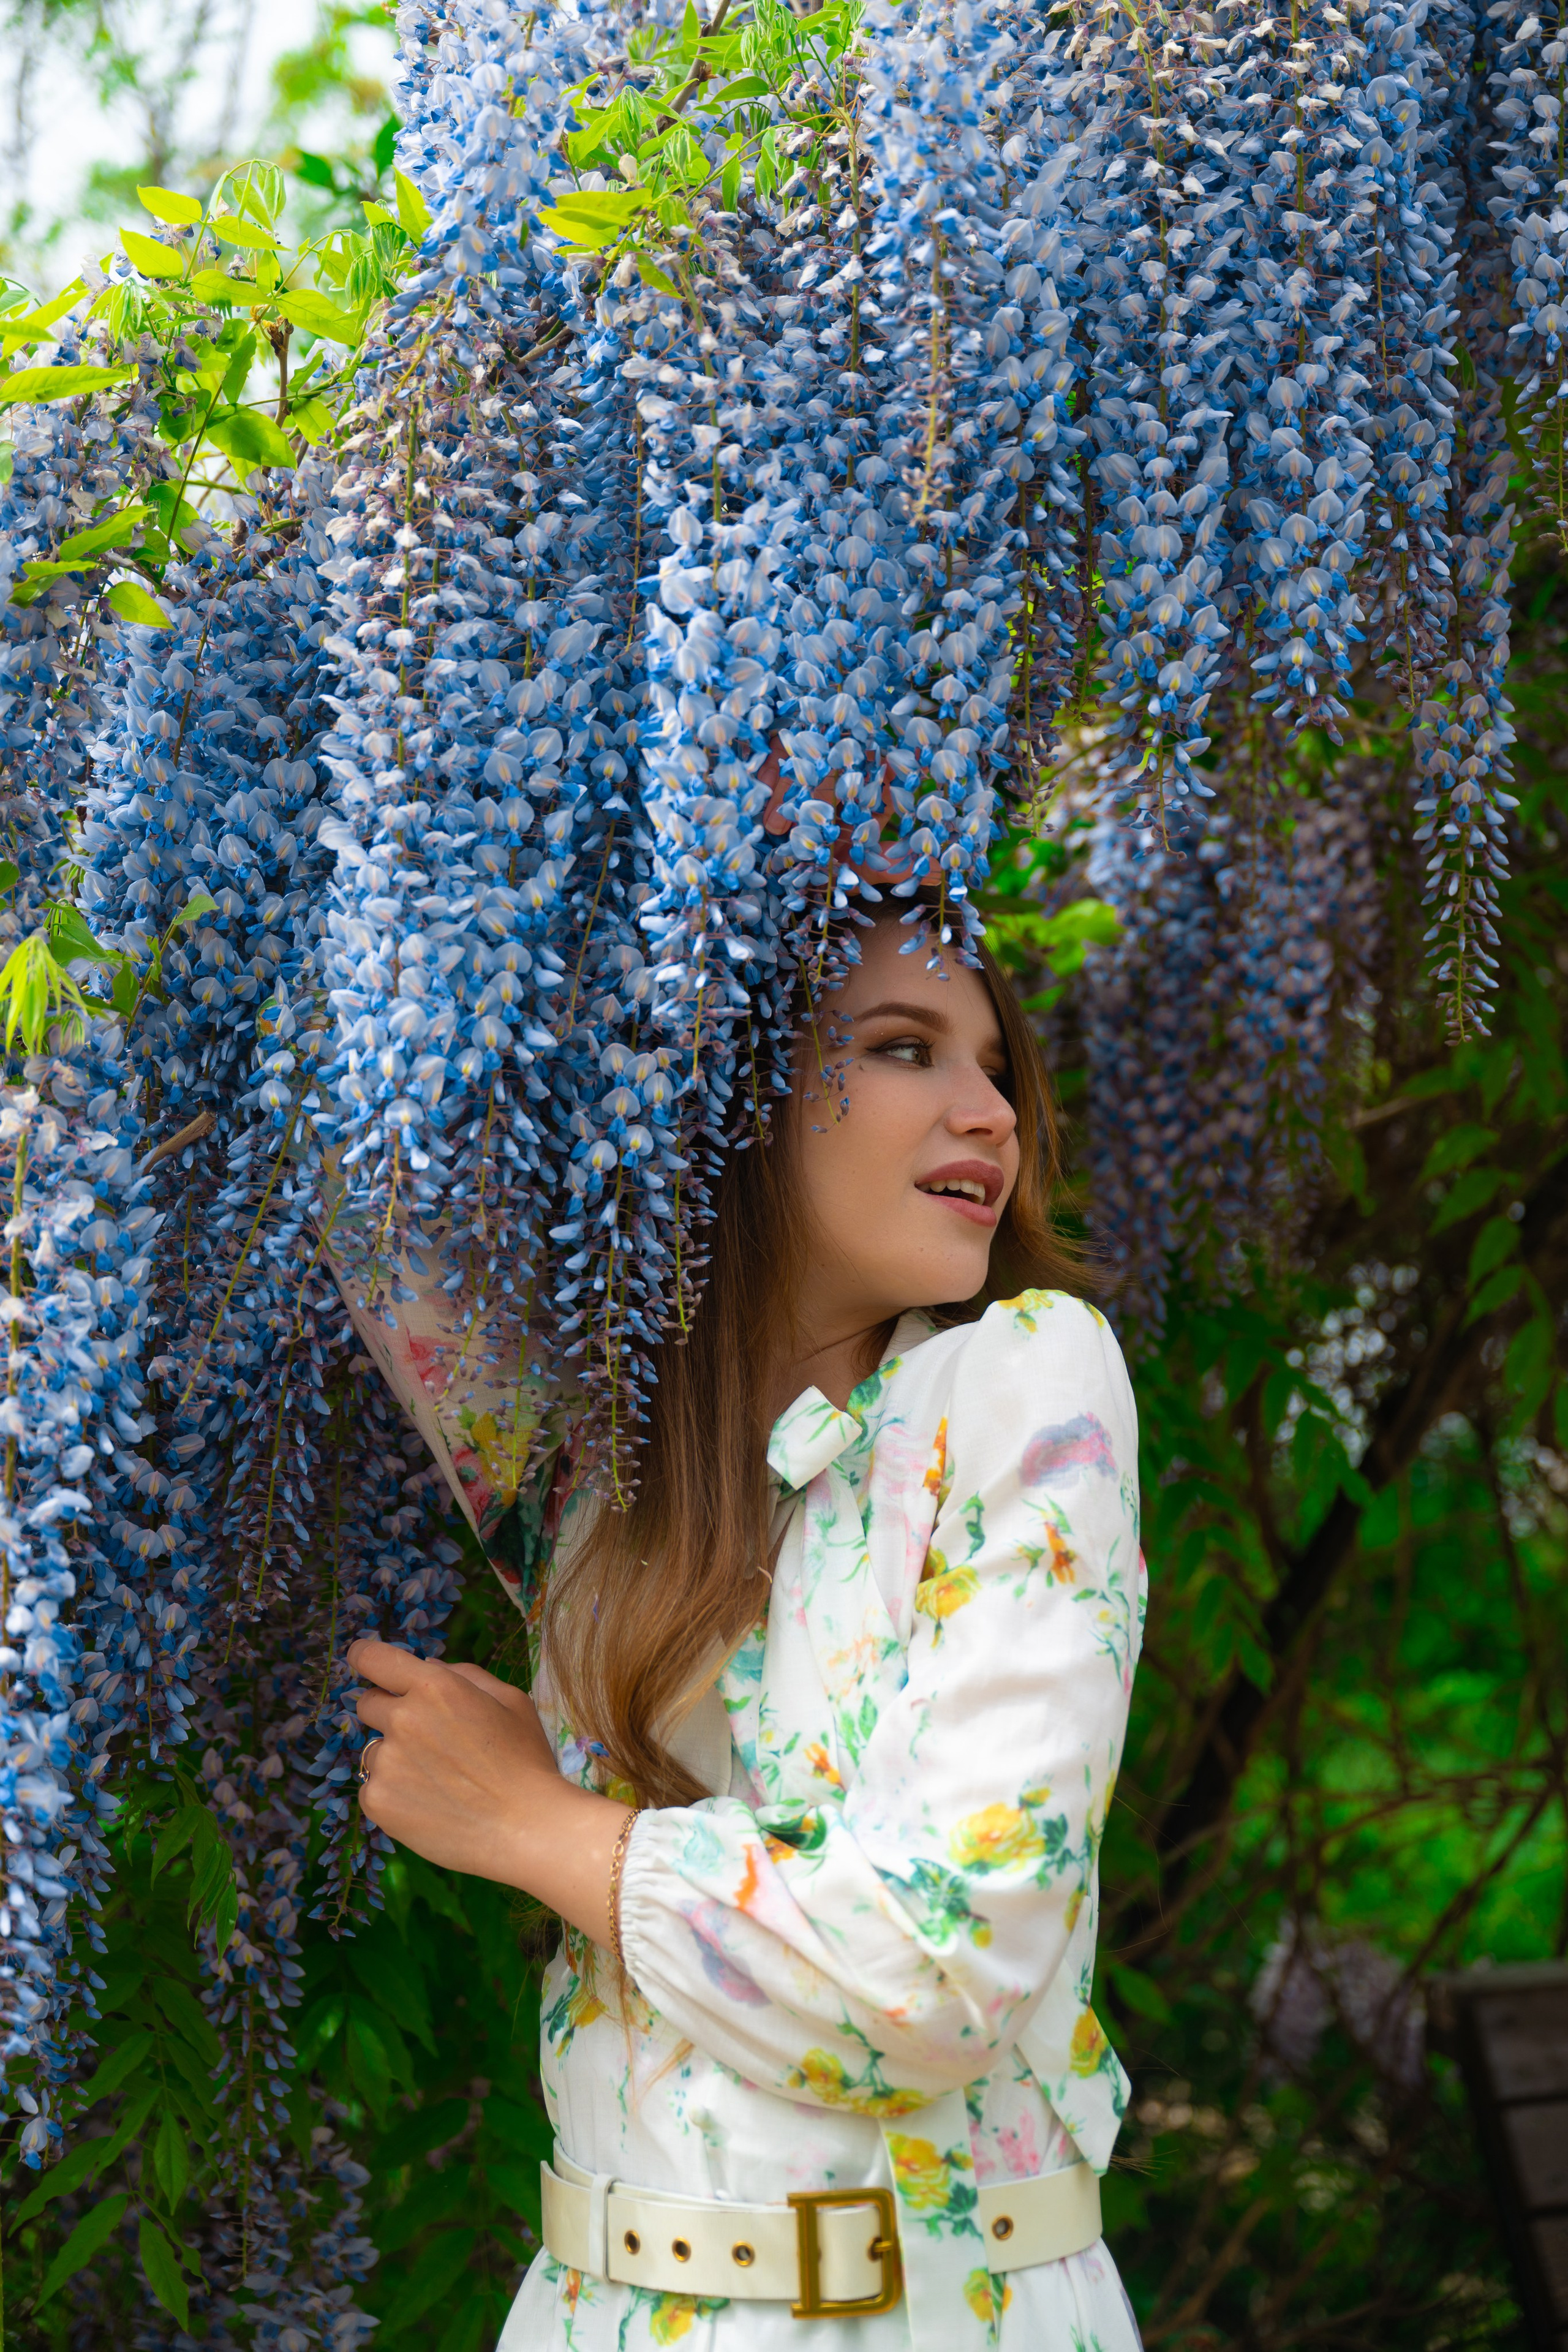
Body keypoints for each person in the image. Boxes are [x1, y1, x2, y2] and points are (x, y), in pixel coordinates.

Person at [348, 909, 1148, 2351]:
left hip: (932, 2315)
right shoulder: (601, 1470)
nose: (990, 1114)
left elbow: (934, 1973)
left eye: (995, 1069)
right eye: (903, 1048)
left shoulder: (1023, 1386)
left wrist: (533, 1823)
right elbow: (363, 1149)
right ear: (717, 1085)